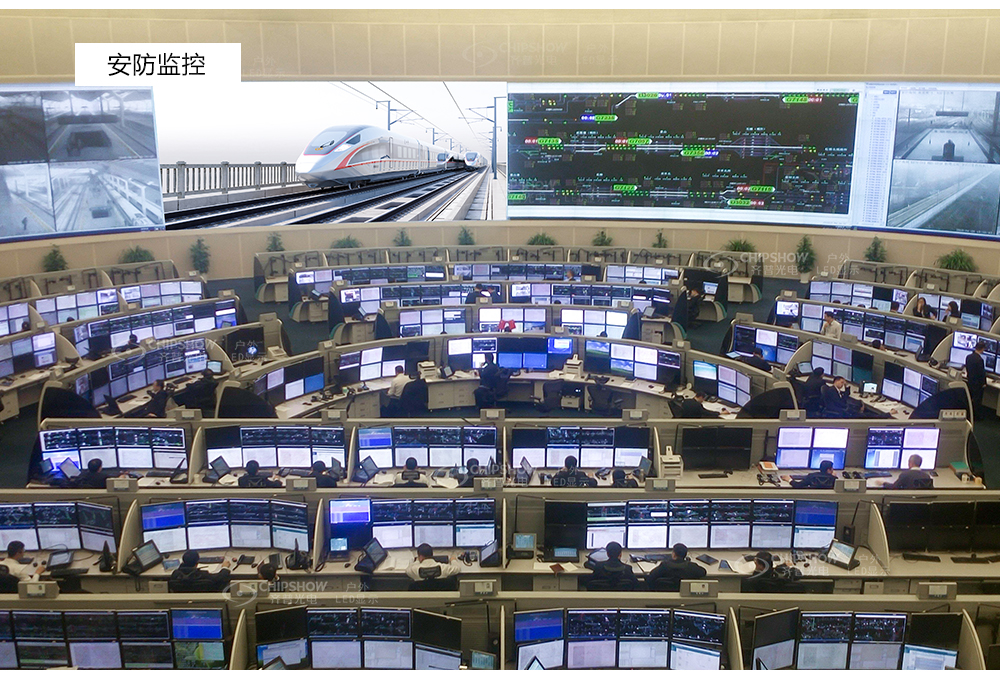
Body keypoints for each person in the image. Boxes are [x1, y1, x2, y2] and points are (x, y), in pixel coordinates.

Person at [966, 340, 987, 420]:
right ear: (982, 349)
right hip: (977, 384)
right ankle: (976, 416)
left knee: (971, 399)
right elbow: (981, 373)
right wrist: (984, 383)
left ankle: (970, 414)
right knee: (977, 401)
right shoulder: (979, 360)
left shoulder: (968, 357)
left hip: (970, 382)